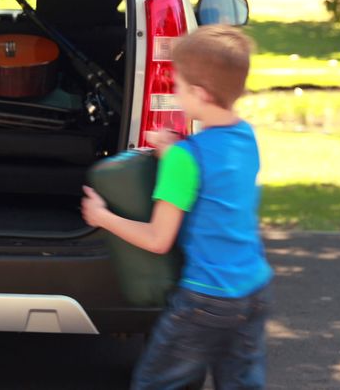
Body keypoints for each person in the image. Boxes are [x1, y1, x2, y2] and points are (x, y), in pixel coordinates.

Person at [81, 25, 272, 390]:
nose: (176, 93)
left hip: (205, 299)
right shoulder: (245, 136)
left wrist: (101, 217)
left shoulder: (185, 160)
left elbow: (157, 239)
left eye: (178, 87)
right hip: (253, 291)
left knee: (156, 383)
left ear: (198, 94)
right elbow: (213, 175)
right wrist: (173, 151)